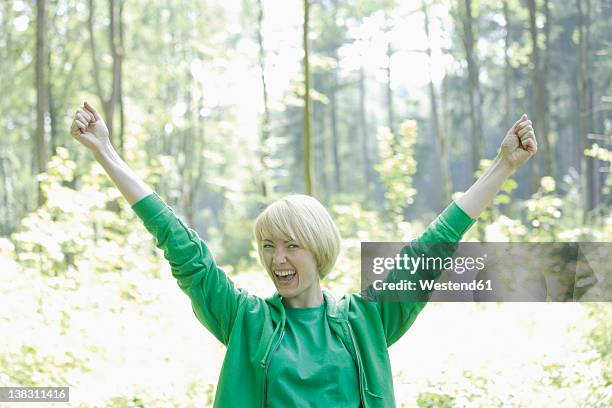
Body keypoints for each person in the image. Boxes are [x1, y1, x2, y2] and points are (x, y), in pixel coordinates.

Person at [71, 101, 537, 407]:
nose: (278, 259)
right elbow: (180, 245)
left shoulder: (367, 320)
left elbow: (433, 246)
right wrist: (106, 154)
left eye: (292, 245)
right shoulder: (244, 320)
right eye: (269, 246)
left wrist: (503, 166)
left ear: (318, 249)